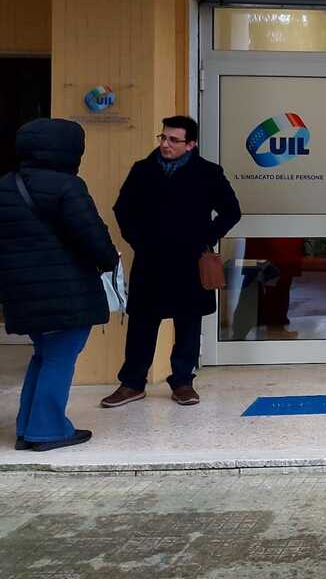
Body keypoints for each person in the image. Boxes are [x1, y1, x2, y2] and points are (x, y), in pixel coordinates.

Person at [101, 116, 241, 408]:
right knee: (142, 322)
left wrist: (205, 237)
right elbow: (122, 209)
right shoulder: (143, 170)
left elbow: (231, 211)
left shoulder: (208, 173)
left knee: (188, 322)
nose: (165, 144)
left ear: (191, 144)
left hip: (190, 260)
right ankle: (132, 383)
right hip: (150, 259)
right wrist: (138, 240)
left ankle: (182, 382)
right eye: (163, 138)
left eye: (173, 140)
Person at [0, 118, 119, 451]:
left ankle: (28, 426)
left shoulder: (6, 185)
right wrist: (110, 260)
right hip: (65, 290)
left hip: (22, 291)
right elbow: (92, 236)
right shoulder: (67, 186)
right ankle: (48, 429)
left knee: (43, 355)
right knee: (59, 358)